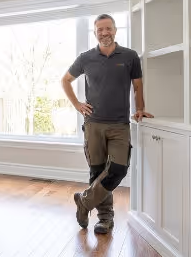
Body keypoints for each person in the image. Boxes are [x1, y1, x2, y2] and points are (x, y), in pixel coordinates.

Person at [60, 14, 153, 234]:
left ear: (115, 29)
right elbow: (65, 80)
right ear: (95, 33)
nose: (104, 33)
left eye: (108, 28)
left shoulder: (129, 56)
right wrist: (77, 105)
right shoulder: (86, 58)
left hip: (120, 124)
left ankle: (83, 201)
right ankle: (105, 219)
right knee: (98, 171)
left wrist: (139, 108)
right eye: (100, 30)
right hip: (93, 125)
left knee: (118, 170)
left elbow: (137, 86)